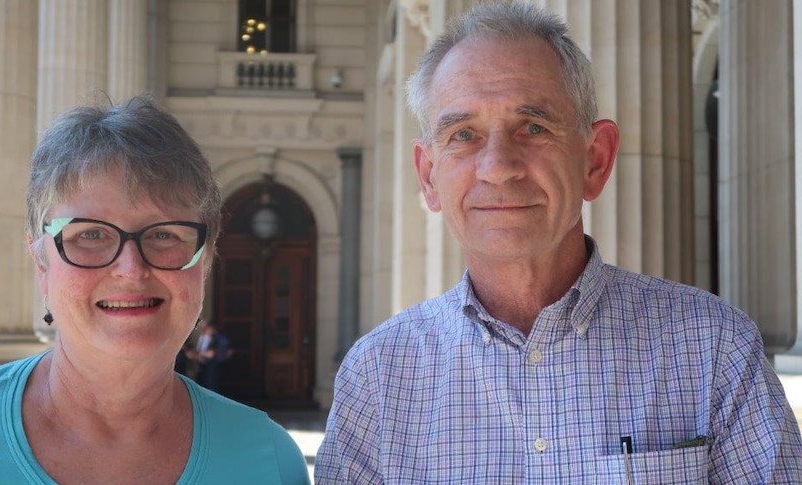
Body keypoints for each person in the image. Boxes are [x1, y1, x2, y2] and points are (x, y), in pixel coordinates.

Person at [316, 2, 802, 483]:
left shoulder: (714, 348)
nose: (498, 166)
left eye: (533, 128)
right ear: (428, 176)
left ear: (595, 160)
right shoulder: (377, 376)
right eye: (463, 134)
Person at [0, 96, 310, 484]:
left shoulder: (271, 462)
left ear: (206, 258)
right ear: (41, 261)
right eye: (91, 234)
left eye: (165, 234)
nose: (131, 270)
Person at [190, 319, 235, 393]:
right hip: (202, 367)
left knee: (211, 388)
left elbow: (226, 352)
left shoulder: (219, 337)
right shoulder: (203, 337)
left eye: (205, 328)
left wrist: (213, 353)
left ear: (211, 328)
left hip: (214, 367)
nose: (203, 330)